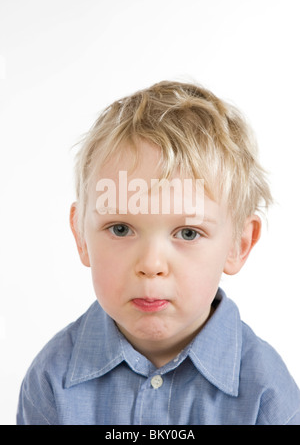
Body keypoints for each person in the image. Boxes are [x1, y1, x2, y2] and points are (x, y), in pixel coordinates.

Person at [17, 81, 300, 425]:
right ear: (81, 235)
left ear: (238, 245)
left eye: (188, 233)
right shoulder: (51, 380)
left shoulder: (267, 395)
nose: (151, 265)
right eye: (121, 229)